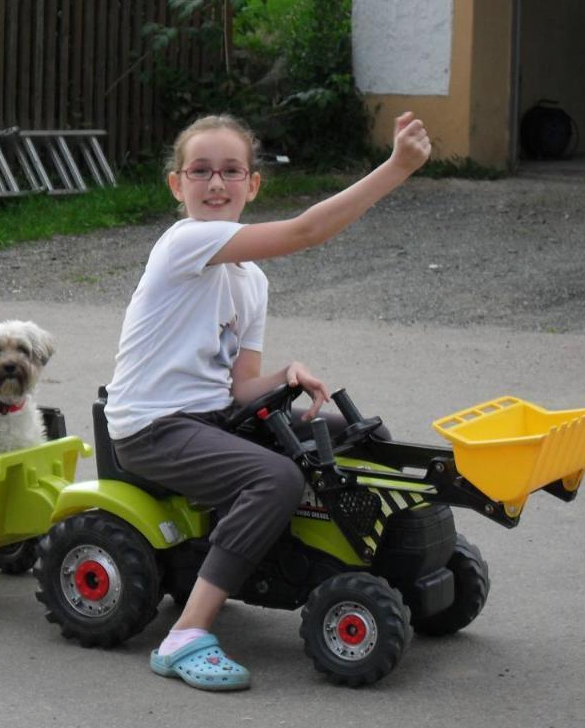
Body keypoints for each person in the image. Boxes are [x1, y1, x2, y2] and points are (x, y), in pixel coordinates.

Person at [104, 112, 432, 691]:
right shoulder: (184, 242)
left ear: (252, 185)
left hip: (211, 417)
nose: (215, 184)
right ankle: (186, 635)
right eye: (200, 171)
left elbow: (239, 386)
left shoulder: (250, 280)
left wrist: (285, 374)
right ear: (176, 185)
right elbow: (306, 231)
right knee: (275, 478)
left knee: (352, 437)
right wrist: (396, 168)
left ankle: (374, 564)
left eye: (231, 171)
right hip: (153, 427)